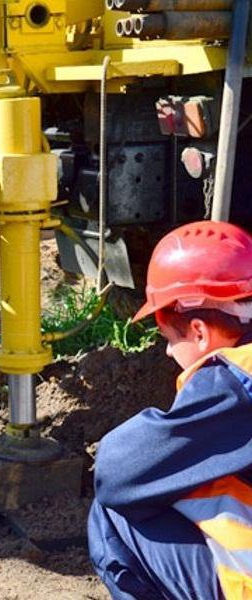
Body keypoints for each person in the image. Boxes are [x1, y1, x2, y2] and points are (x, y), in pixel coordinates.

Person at [88, 220, 252, 599]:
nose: (166, 352)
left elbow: (117, 472)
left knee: (113, 514)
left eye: (168, 339)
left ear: (199, 331)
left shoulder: (236, 384)